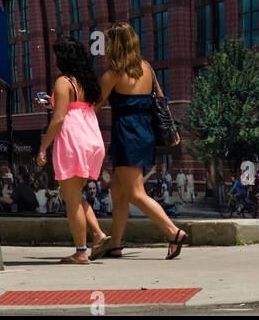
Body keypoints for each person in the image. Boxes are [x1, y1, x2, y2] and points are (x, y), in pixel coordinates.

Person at [96, 22, 188, 259]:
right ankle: (115, 243)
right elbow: (160, 102)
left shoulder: (112, 75)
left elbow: (93, 107)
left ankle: (173, 232)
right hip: (145, 134)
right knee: (118, 190)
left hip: (127, 135)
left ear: (115, 46)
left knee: (136, 193)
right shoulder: (147, 68)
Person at [37, 37, 111, 264]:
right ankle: (98, 235)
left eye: (57, 56)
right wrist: (53, 103)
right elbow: (73, 108)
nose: (55, 60)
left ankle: (81, 252)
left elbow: (59, 119)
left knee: (71, 201)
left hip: (72, 143)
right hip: (92, 141)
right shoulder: (86, 82)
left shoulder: (62, 82)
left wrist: (43, 147)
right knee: (75, 196)